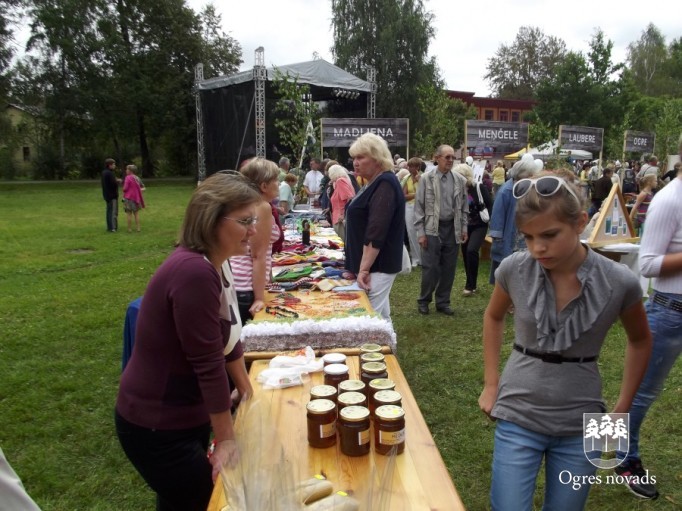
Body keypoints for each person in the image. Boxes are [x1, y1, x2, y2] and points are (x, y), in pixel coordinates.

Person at [479, 174, 652, 511]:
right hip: (518, 409)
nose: (537, 248)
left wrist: (622, 409)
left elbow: (641, 340)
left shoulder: (620, 281)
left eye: (549, 235)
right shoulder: (515, 268)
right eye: (528, 237)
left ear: (580, 222)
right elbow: (493, 316)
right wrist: (490, 384)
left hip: (584, 418)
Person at [115, 172, 260, 511]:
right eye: (245, 221)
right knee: (209, 500)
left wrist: (246, 391)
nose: (253, 229)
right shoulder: (194, 272)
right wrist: (226, 439)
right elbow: (208, 363)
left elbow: (228, 337)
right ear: (211, 220)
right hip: (157, 425)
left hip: (178, 417)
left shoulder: (213, 263)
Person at [615, 135, 682, 500]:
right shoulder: (669, 200)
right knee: (639, 393)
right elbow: (649, 264)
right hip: (670, 311)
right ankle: (619, 461)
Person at [345, 133, 405, 321]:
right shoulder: (375, 182)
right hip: (373, 265)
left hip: (378, 266)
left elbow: (376, 231)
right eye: (354, 158)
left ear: (377, 158)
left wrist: (364, 269)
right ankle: (389, 340)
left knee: (369, 320)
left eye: (361, 157)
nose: (355, 163)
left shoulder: (385, 183)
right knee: (382, 318)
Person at [414, 144, 469, 316]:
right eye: (447, 157)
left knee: (449, 268)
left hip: (453, 228)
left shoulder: (460, 180)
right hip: (432, 228)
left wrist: (464, 228)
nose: (451, 160)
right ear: (437, 158)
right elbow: (419, 207)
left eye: (453, 157)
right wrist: (421, 233)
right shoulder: (426, 179)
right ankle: (424, 300)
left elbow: (464, 207)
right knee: (430, 268)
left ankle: (443, 302)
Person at [230, 158, 281, 324]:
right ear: (264, 186)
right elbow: (258, 255)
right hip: (247, 288)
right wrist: (259, 297)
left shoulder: (246, 203)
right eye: (276, 180)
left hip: (240, 285)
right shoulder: (261, 206)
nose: (279, 183)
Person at [488, 157, 539, 286]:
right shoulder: (506, 190)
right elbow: (497, 216)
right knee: (507, 268)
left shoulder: (527, 187)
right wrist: (497, 238)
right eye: (530, 175)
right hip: (510, 237)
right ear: (521, 175)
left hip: (523, 236)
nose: (532, 177)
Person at [456, 163, 492, 296]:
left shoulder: (478, 187)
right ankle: (471, 283)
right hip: (464, 226)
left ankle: (470, 285)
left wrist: (489, 220)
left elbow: (490, 204)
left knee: (471, 250)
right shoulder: (457, 190)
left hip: (479, 225)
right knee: (465, 253)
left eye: (460, 176)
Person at [402, 157, 422, 267]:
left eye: (412, 166)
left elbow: (426, 193)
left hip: (421, 207)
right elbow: (403, 196)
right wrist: (416, 194)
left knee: (421, 232)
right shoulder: (407, 178)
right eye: (409, 166)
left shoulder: (423, 178)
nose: (410, 168)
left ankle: (423, 257)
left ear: (418, 167)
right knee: (411, 232)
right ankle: (415, 258)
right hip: (409, 207)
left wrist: (420, 181)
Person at [327, 164, 355, 241]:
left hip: (340, 218)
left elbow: (349, 198)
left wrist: (343, 214)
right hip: (339, 217)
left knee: (340, 241)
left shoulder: (340, 181)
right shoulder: (344, 180)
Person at [122, 164, 145, 233]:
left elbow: (125, 189)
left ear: (130, 171)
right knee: (136, 214)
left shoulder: (127, 177)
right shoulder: (137, 178)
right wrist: (138, 191)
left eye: (127, 169)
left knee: (129, 214)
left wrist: (123, 189)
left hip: (128, 198)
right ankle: (138, 228)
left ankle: (129, 229)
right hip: (136, 199)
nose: (126, 170)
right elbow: (143, 187)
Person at [101, 158, 119, 232]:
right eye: (113, 164)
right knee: (113, 212)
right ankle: (112, 227)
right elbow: (113, 184)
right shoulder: (109, 173)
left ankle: (109, 227)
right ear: (109, 165)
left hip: (107, 195)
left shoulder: (104, 172)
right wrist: (117, 181)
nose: (114, 165)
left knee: (109, 211)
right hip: (112, 196)